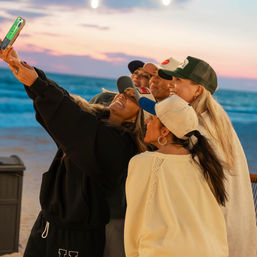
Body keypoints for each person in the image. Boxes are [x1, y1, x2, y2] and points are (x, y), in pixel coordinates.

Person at [0, 45, 147, 257]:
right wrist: (23, 68)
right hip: (48, 222)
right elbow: (68, 103)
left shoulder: (122, 145)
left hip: (77, 235)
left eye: (132, 98)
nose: (122, 97)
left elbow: (73, 122)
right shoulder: (96, 118)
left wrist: (36, 83)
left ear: (139, 116)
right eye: (123, 92)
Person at [158, 56, 257, 257]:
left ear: (198, 90)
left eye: (178, 81)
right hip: (227, 223)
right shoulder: (215, 120)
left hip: (213, 226)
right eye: (173, 80)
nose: (172, 85)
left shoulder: (197, 126)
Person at [125, 94, 228, 257]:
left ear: (165, 131)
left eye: (152, 118)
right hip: (210, 250)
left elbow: (135, 220)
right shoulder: (205, 164)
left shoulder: (143, 163)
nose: (146, 122)